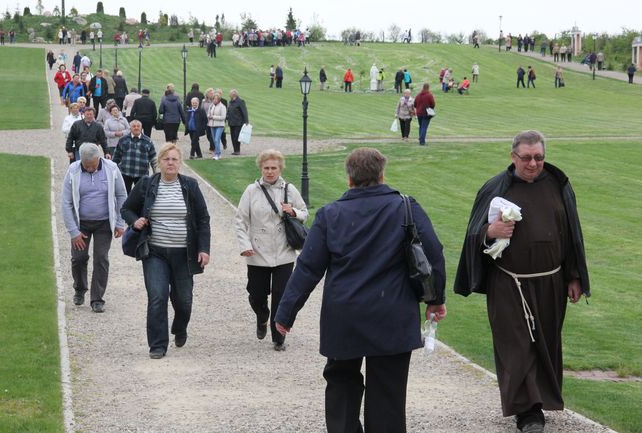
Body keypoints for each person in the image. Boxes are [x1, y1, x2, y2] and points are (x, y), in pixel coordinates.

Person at [275, 147, 446, 433]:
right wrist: (435, 300)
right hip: (391, 312)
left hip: (346, 314)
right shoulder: (405, 206)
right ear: (381, 174)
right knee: (388, 394)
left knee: (342, 384)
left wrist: (286, 312)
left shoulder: (331, 215)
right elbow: (434, 254)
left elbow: (308, 268)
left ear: (349, 178)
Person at [454, 130, 589, 433]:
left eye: (538, 157)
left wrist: (574, 275)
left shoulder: (558, 186)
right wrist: (491, 232)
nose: (532, 163)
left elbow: (571, 235)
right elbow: (472, 235)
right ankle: (527, 413)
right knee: (515, 346)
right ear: (513, 157)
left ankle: (538, 402)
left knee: (545, 343)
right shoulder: (495, 188)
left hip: (550, 282)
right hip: (508, 284)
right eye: (526, 157)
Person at [120, 143, 211, 359]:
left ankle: (180, 327)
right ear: (159, 162)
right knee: (157, 297)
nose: (170, 163)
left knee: (184, 301)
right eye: (166, 159)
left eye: (174, 159)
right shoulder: (147, 184)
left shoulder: (190, 185)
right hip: (155, 252)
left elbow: (203, 219)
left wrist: (204, 249)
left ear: (180, 163)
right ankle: (158, 345)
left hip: (184, 253)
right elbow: (126, 208)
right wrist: (136, 221)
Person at [235, 150, 308, 351]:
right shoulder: (251, 191)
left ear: (280, 168)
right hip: (257, 251)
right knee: (256, 294)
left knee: (281, 295)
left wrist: (292, 211)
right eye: (266, 168)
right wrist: (245, 245)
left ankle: (278, 337)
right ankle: (262, 315)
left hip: (283, 251)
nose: (269, 172)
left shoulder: (290, 189)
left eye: (273, 168)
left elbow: (304, 212)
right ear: (261, 168)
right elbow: (240, 220)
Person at [61, 142, 127, 313]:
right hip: (81, 223)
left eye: (93, 165)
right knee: (79, 258)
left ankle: (97, 298)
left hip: (104, 223)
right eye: (87, 165)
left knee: (101, 258)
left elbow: (121, 195)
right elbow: (66, 203)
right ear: (80, 160)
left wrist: (120, 222)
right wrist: (73, 232)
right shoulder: (73, 171)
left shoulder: (111, 168)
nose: (90, 168)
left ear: (99, 158)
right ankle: (79, 289)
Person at [113, 120, 158, 193]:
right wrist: (113, 171)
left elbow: (153, 159)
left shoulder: (148, 141)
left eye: (138, 126)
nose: (136, 128)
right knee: (124, 195)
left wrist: (157, 173)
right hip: (125, 173)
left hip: (142, 174)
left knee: (141, 197)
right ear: (130, 128)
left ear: (141, 128)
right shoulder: (123, 140)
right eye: (134, 126)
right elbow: (116, 156)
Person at [226, 89, 249, 156]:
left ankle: (237, 150)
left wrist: (246, 121)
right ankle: (235, 150)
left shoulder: (240, 101)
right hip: (231, 122)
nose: (229, 95)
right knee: (232, 137)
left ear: (233, 95)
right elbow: (229, 110)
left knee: (237, 137)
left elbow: (244, 111)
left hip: (238, 122)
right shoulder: (230, 102)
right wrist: (227, 116)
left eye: (230, 94)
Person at [208, 94, 227, 160]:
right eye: (214, 99)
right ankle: (218, 154)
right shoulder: (212, 106)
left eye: (216, 99)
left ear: (219, 100)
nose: (214, 100)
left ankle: (217, 154)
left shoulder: (222, 107)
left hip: (220, 125)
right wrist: (209, 116)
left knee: (216, 139)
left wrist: (213, 117)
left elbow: (223, 117)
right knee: (215, 140)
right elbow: (208, 113)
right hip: (212, 125)